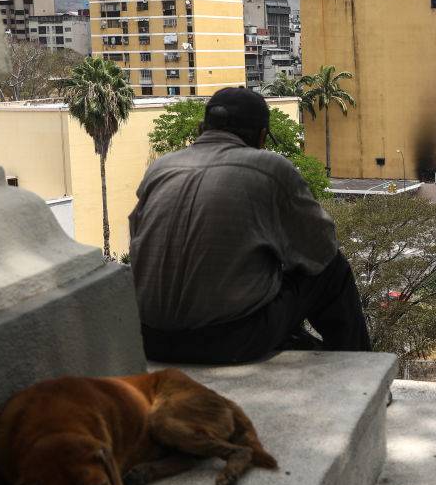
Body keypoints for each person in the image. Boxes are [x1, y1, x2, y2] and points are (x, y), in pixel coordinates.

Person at [128, 87, 370, 364]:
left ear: (201, 128)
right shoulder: (270, 168)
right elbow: (321, 247)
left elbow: (138, 243)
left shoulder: (160, 168)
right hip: (226, 341)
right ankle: (360, 366)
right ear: (262, 136)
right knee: (332, 270)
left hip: (148, 338)